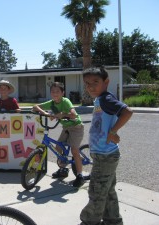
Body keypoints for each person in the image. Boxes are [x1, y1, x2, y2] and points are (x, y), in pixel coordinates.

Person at [79, 67, 133, 225]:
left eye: (95, 82)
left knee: (96, 191)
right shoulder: (99, 99)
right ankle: (112, 221)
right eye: (87, 83)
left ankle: (89, 221)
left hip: (105, 155)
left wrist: (113, 131)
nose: (91, 86)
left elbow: (127, 112)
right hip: (104, 154)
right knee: (107, 191)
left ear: (106, 82)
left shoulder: (105, 99)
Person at [32, 82, 85, 188]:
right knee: (58, 147)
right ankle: (63, 169)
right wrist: (47, 114)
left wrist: (63, 114)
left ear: (62, 93)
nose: (55, 94)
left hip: (76, 127)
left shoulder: (65, 101)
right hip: (66, 127)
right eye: (53, 92)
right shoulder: (52, 103)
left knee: (74, 150)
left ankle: (80, 176)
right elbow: (35, 107)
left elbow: (74, 115)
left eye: (57, 92)